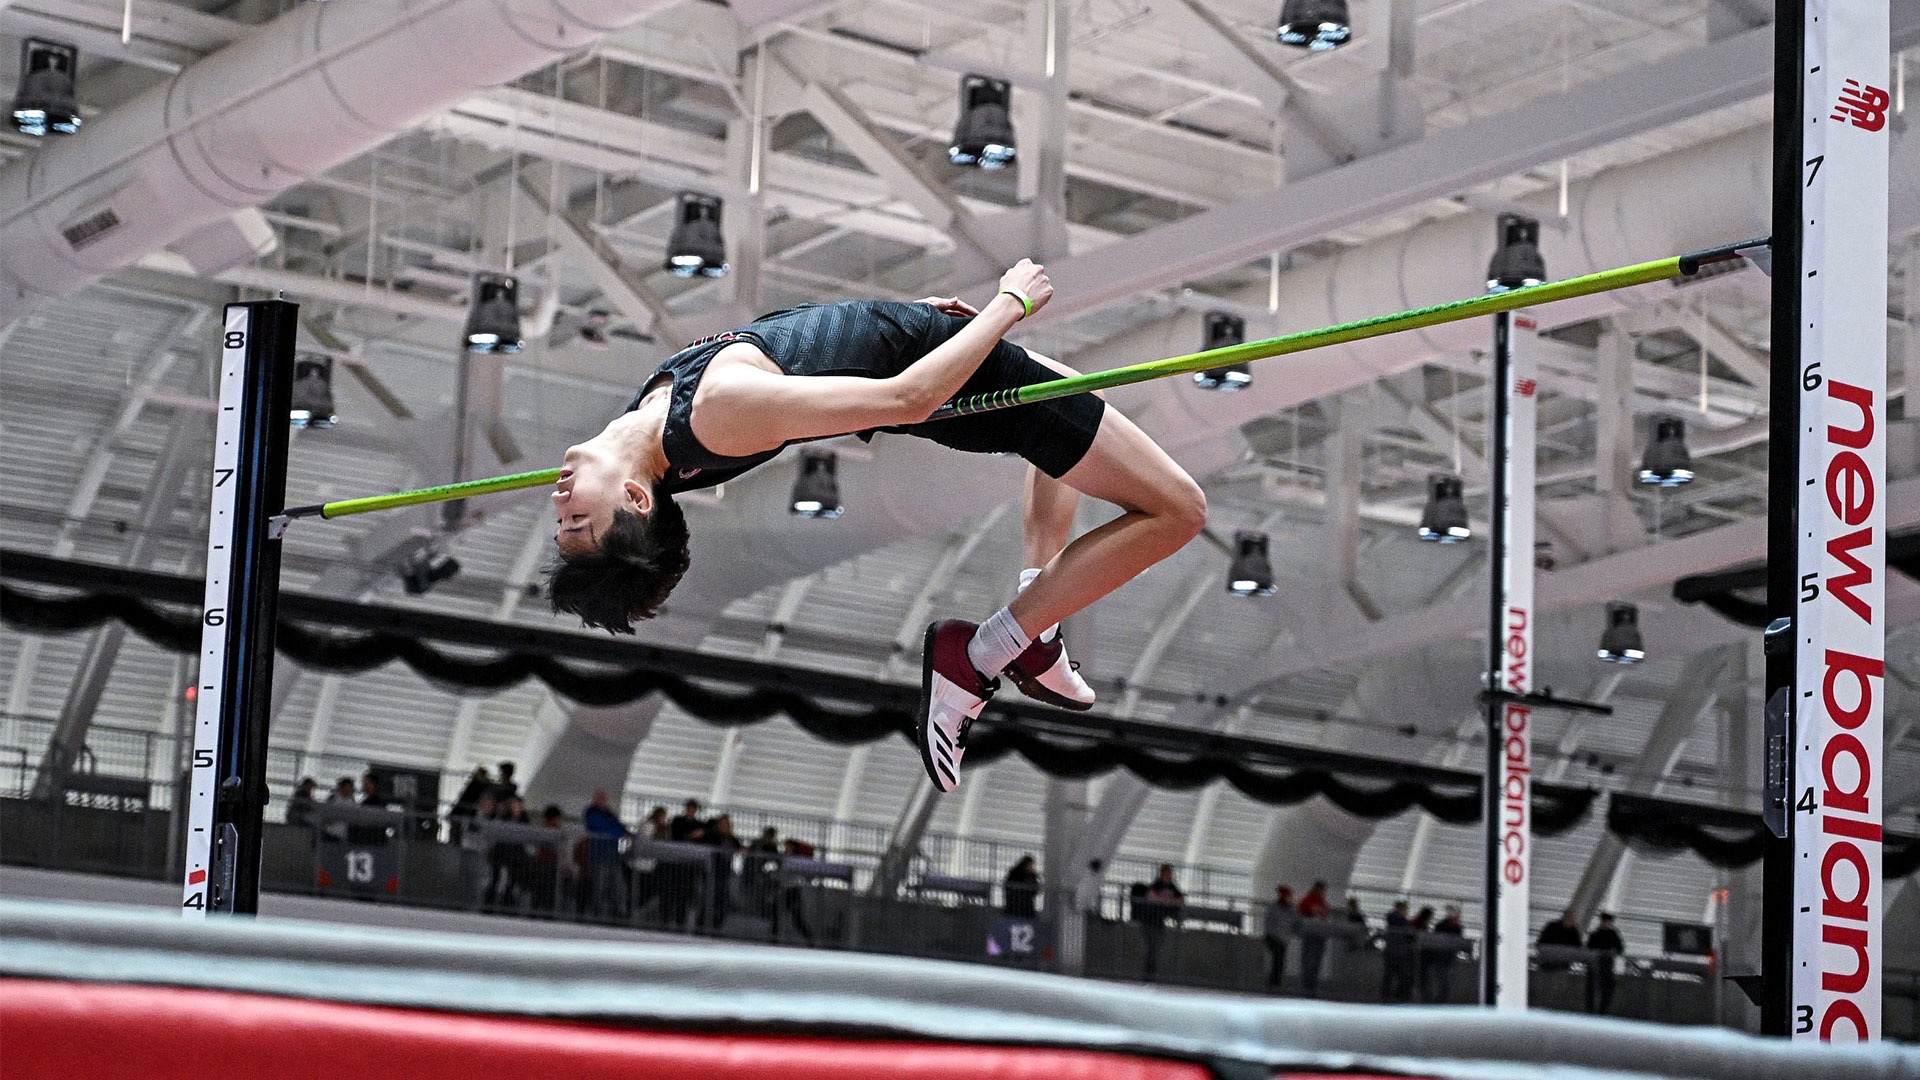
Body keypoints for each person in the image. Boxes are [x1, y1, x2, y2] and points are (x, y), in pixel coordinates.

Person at [544, 262, 1207, 795]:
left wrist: (886, 321)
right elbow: (907, 398)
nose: (559, 499)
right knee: (1179, 511)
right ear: (636, 498)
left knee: (1074, 393)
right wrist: (1010, 302)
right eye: (578, 519)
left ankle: (1037, 626)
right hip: (939, 375)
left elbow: (791, 343)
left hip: (915, 340)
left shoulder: (650, 427)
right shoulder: (715, 414)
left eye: (561, 522)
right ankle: (982, 653)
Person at [581, 790, 632, 920]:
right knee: (600, 885)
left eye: (605, 799)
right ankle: (597, 912)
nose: (604, 801)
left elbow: (618, 827)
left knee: (618, 885)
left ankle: (617, 913)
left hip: (612, 855)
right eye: (601, 799)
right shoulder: (591, 813)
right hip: (599, 855)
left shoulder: (609, 814)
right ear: (596, 799)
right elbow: (602, 829)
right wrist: (622, 834)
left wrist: (627, 834)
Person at [1137, 864, 1185, 982]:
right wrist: (1166, 901)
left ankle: (1151, 974)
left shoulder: (1172, 887)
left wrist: (1167, 901)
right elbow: (1151, 896)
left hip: (1159, 922)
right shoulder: (1156, 885)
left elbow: (1181, 899)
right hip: (1148, 921)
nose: (1169, 876)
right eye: (1167, 874)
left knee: (1156, 948)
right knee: (1151, 948)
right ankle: (1148, 975)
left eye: (1170, 874)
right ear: (1162, 874)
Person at [1296, 880, 1331, 997]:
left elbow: (1325, 915)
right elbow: (1301, 913)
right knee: (1309, 960)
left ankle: (1312, 985)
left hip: (1319, 935)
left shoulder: (1322, 902)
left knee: (1316, 961)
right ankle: (1307, 985)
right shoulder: (1308, 901)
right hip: (1310, 934)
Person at [1422, 905, 1464, 1004]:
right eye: (1456, 916)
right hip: (1440, 957)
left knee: (1444, 981)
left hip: (1448, 958)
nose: (1458, 918)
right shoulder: (1443, 926)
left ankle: (1441, 1000)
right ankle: (1436, 1000)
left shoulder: (1454, 927)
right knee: (1440, 979)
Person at [1586, 912, 1626, 1014]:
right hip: (1599, 965)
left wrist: (1614, 951)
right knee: (1598, 988)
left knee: (1602, 988)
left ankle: (1599, 1010)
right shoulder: (1599, 934)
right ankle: (1597, 1010)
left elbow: (1620, 948)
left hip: (1605, 966)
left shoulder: (1606, 934)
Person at [1262, 885, 1299, 991]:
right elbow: (1269, 923)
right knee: (1278, 959)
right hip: (1273, 937)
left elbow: (1295, 922)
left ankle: (1275, 982)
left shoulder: (1291, 909)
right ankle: (1274, 982)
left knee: (1279, 960)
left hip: (1282, 938)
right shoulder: (1274, 908)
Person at [1381, 900, 1417, 1003]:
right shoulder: (1404, 923)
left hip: (1390, 952)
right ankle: (1399, 996)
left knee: (1389, 975)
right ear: (1401, 909)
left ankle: (1386, 996)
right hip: (1400, 953)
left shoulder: (1391, 921)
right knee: (1403, 976)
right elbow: (1411, 936)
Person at [448, 765, 492, 842]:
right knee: (458, 830)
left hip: (465, 811)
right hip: (464, 811)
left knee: (459, 831)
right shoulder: (476, 785)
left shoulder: (476, 785)